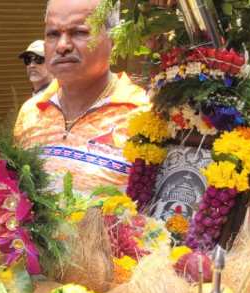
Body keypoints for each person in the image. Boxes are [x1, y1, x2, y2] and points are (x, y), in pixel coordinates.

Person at [14, 0, 150, 194]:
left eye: (79, 32)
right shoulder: (30, 112)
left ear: (114, 38)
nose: (62, 46)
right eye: (53, 34)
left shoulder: (144, 116)